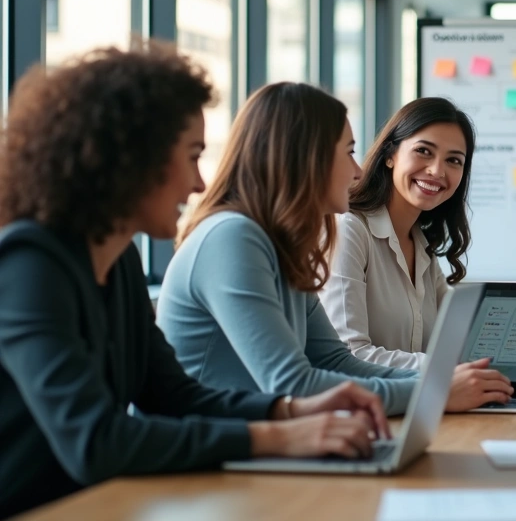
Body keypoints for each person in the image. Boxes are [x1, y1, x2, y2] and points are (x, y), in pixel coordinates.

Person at [0, 45, 391, 518]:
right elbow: (96, 441)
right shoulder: (29, 264)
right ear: (129, 160)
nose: (200, 184)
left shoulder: (118, 259)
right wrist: (278, 436)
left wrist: (291, 412)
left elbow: (174, 396)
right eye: (191, 156)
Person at [157, 83, 512, 416]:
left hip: (254, 447)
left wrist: (437, 385)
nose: (358, 172)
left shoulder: (283, 248)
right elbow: (295, 385)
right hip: (210, 463)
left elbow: (337, 362)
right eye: (348, 153)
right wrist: (434, 393)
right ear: (304, 159)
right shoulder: (232, 238)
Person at [320, 98, 500, 375]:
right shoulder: (349, 229)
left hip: (415, 407)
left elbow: (458, 339)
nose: (437, 171)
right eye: (424, 151)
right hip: (360, 411)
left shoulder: (421, 244)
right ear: (390, 154)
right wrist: (448, 368)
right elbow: (349, 354)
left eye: (454, 160)